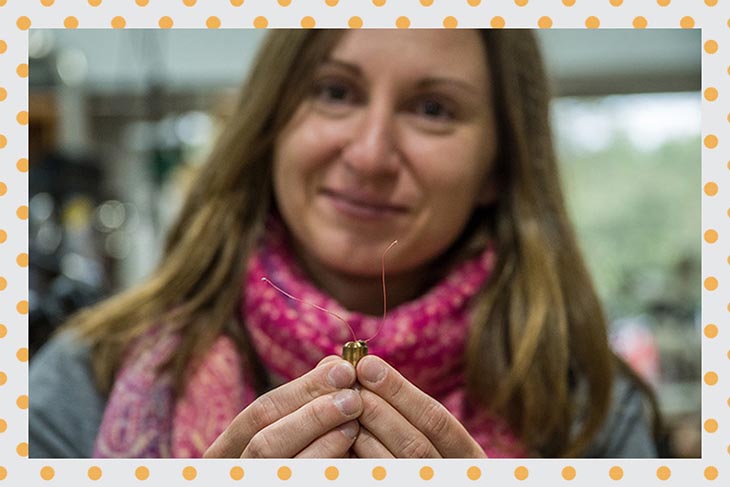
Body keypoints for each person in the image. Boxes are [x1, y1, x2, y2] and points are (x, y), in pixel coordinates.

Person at [30, 29, 660, 458]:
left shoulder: (594, 410)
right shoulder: (82, 381)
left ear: (500, 165)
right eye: (335, 92)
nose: (369, 154)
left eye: (434, 109)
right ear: (271, 121)